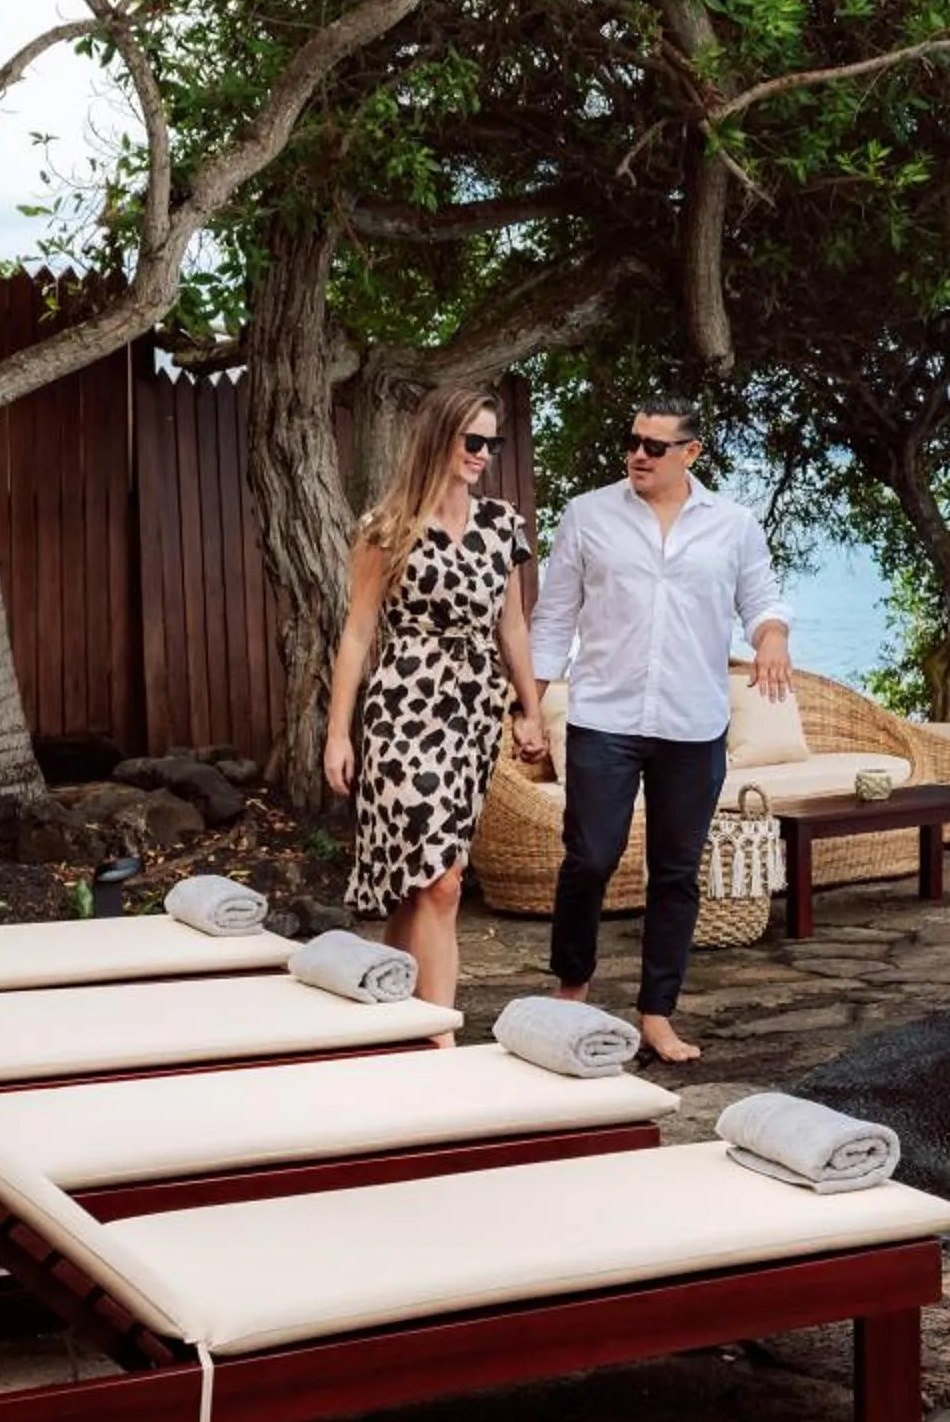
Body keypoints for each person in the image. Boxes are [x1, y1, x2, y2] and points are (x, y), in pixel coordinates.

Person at [528, 397, 792, 1063]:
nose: (638, 455)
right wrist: (529, 705)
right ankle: (571, 987)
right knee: (590, 858)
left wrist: (772, 638)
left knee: (675, 874)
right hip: (604, 718)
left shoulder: (732, 525)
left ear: (690, 453)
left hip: (692, 723)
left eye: (654, 446)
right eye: (632, 441)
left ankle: (657, 1013)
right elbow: (554, 618)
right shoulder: (587, 514)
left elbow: (762, 600)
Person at [322, 386, 546, 1028]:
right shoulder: (386, 528)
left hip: (472, 713)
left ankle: (386, 1017)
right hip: (402, 708)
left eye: (491, 443)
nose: (483, 454)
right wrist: (338, 734)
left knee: (420, 883)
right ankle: (438, 1037)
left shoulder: (502, 525)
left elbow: (512, 627)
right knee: (441, 879)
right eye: (472, 440)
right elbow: (357, 632)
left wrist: (529, 710)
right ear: (438, 437)